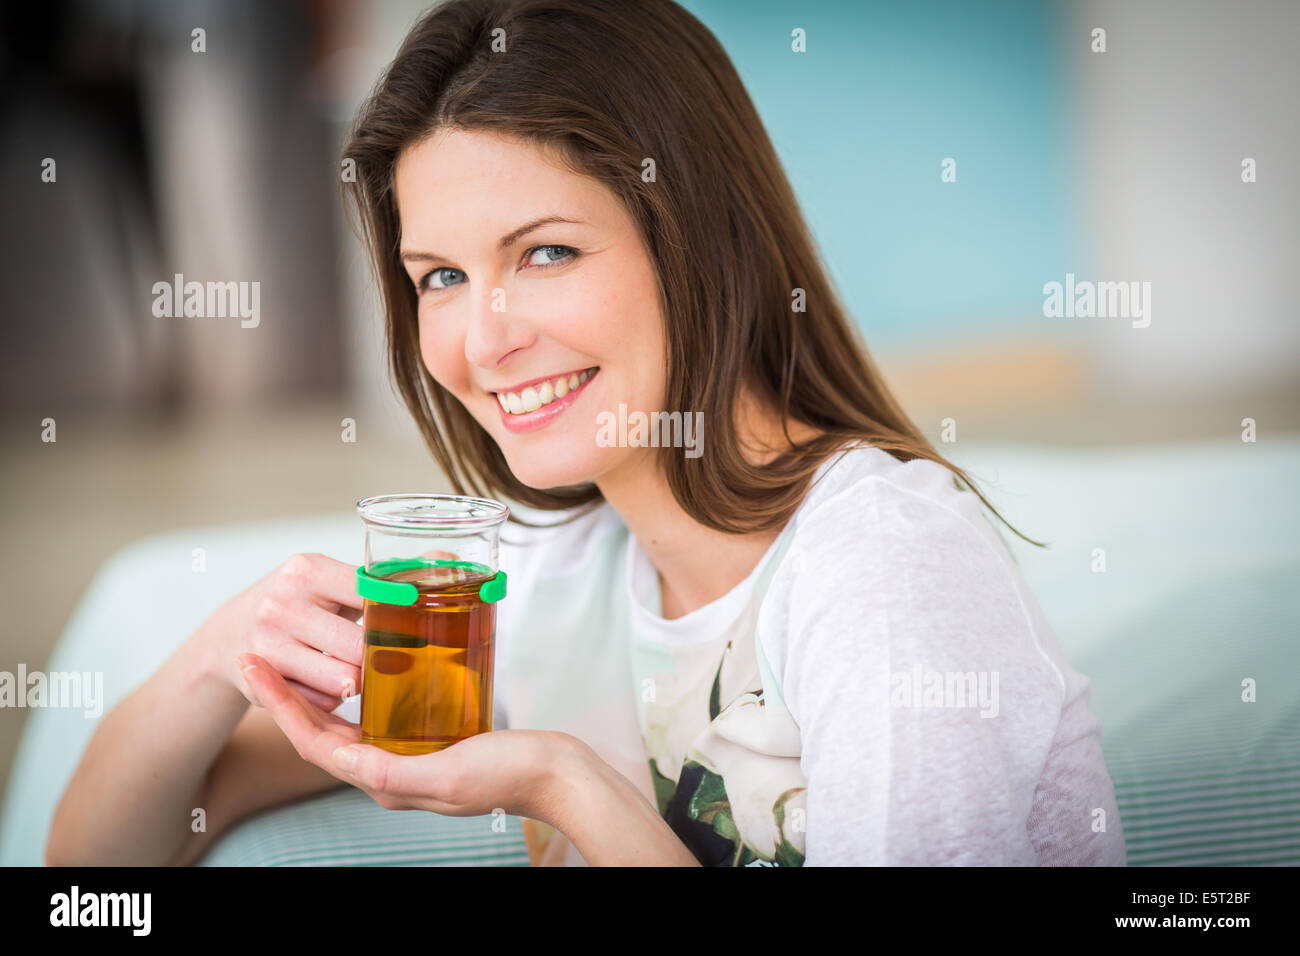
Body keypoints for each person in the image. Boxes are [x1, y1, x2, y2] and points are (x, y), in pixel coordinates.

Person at [47, 0, 1126, 867]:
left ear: (701, 237)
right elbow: (104, 865)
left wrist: (564, 783)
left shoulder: (881, 572)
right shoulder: (546, 578)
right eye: (442, 277)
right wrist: (216, 653)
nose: (484, 337)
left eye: (547, 253)